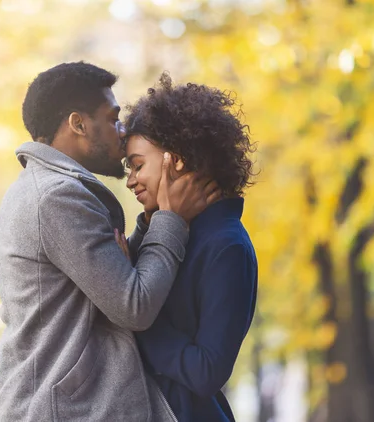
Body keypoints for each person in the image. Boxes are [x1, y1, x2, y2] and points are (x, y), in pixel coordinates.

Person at [0, 62, 220, 422]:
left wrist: (147, 226)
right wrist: (171, 219)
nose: (122, 130)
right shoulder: (57, 198)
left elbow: (106, 287)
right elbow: (134, 306)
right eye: (112, 119)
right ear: (78, 123)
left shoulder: (42, 191)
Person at [119, 73, 258, 422]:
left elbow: (207, 371)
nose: (130, 180)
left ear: (174, 160)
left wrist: (132, 316)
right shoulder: (176, 232)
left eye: (137, 165)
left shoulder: (226, 245)